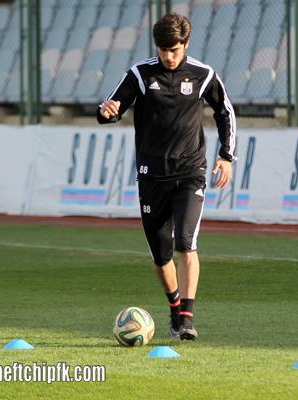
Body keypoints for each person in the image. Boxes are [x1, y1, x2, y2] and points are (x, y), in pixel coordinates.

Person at [97, 13, 236, 340]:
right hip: (151, 176)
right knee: (161, 256)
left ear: (186, 44)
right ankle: (174, 307)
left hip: (190, 172)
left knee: (186, 243)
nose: (168, 56)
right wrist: (107, 113)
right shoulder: (140, 74)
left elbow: (225, 112)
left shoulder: (203, 74)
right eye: (163, 50)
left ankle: (186, 318)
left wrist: (226, 156)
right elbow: (113, 107)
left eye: (174, 50)